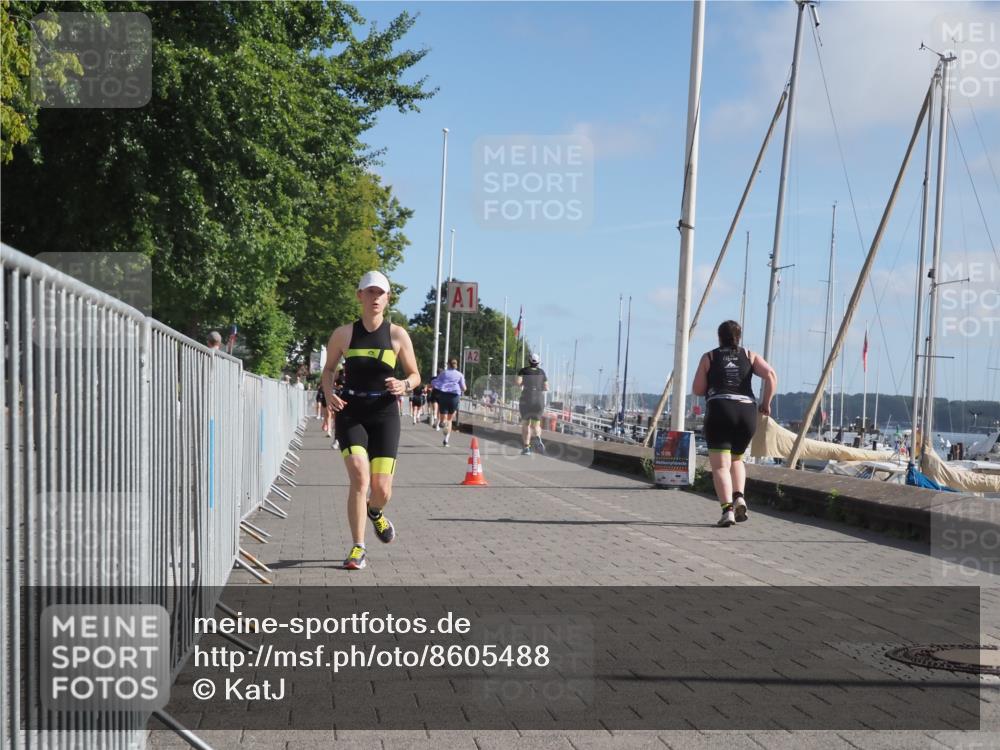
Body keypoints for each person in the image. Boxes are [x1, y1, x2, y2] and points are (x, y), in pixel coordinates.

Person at [322, 271, 420, 570]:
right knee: (359, 478)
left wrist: (404, 385)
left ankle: (375, 513)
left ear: (387, 299)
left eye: (381, 293)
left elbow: (416, 375)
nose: (375, 298)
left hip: (384, 414)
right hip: (351, 411)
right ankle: (358, 547)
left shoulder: (397, 335)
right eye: (370, 292)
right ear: (359, 296)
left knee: (381, 489)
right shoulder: (344, 334)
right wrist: (329, 395)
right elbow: (327, 371)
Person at [692, 320, 777, 528]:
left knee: (721, 465)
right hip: (746, 412)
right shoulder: (750, 355)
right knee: (737, 459)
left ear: (719, 337)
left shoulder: (709, 357)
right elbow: (771, 375)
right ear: (738, 338)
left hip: (721, 409)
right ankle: (739, 496)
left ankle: (727, 510)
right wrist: (766, 403)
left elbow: (697, 389)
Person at [516, 354, 548, 455]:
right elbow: (546, 387)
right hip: (539, 399)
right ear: (538, 362)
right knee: (536, 424)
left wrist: (522, 383)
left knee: (526, 423)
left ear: (529, 361)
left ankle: (526, 448)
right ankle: (538, 437)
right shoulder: (542, 372)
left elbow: (518, 382)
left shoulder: (523, 370)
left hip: (527, 398)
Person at [435, 358, 466, 447]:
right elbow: (464, 388)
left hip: (444, 395)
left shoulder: (443, 373)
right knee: (450, 419)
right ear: (456, 365)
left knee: (443, 417)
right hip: (454, 396)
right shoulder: (460, 374)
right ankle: (446, 440)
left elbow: (437, 382)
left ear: (448, 364)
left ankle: (442, 422)